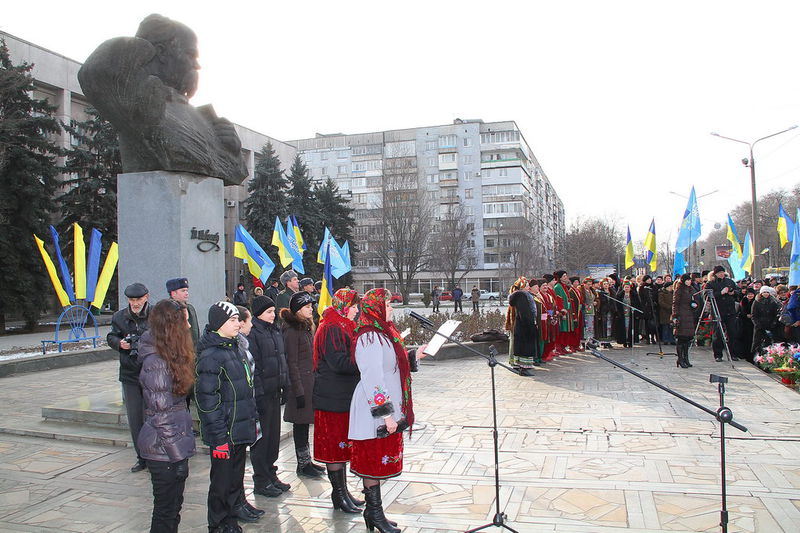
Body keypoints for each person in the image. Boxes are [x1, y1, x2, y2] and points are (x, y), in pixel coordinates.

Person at [77, 14, 247, 185]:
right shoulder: (138, 103)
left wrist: (232, 150)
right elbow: (94, 71)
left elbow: (232, 172)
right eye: (191, 55)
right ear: (162, 52)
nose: (197, 65)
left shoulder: (203, 118)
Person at [348, 288, 429, 533]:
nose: (391, 308)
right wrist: (386, 414)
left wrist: (415, 356)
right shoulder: (369, 337)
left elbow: (392, 365)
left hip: (386, 408)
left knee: (378, 461)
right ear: (376, 308)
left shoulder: (384, 333)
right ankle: (373, 513)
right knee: (372, 461)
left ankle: (375, 513)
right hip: (374, 409)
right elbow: (372, 377)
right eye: (388, 305)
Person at [195, 302, 257, 533]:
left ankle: (231, 520)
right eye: (232, 320)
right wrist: (219, 437)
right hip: (224, 433)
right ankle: (218, 524)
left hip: (239, 429)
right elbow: (207, 401)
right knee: (221, 484)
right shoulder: (211, 356)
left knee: (234, 482)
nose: (238, 324)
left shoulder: (236, 349)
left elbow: (245, 390)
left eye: (238, 320)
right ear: (219, 323)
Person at [136, 299, 196, 533]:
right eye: (185, 321)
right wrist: (177, 456)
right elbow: (162, 415)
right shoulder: (157, 363)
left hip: (171, 446)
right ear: (172, 326)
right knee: (165, 511)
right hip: (163, 450)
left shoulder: (171, 356)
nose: (189, 326)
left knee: (173, 508)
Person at [312, 289, 365, 513]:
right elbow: (339, 363)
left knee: (342, 447)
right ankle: (338, 495)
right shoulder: (332, 327)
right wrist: (365, 362)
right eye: (353, 306)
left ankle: (343, 493)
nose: (356, 311)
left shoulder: (343, 324)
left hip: (342, 396)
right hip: (332, 398)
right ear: (343, 306)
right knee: (334, 448)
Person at [247, 296, 291, 497]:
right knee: (262, 440)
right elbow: (254, 367)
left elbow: (282, 360)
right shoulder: (254, 333)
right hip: (262, 394)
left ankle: (271, 474)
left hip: (275, 391)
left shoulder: (274, 330)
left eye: (273, 311)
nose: (273, 315)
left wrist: (285, 385)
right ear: (258, 314)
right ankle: (261, 480)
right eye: (269, 312)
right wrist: (259, 394)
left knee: (273, 438)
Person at [107, 282, 151, 473]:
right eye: (131, 300)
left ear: (146, 297)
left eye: (138, 299)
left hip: (152, 373)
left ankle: (156, 454)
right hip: (130, 374)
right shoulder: (119, 317)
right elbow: (111, 337)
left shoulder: (156, 315)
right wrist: (120, 344)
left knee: (154, 416)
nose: (134, 303)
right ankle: (141, 457)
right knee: (135, 419)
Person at [280, 291, 325, 478]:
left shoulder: (305, 328)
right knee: (300, 425)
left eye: (311, 306)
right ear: (298, 309)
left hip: (309, 384)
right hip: (300, 386)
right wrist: (297, 390)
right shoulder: (292, 331)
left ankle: (307, 461)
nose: (311, 309)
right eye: (307, 307)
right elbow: (292, 362)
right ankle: (303, 464)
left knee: (304, 424)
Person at [230, 306, 265, 523]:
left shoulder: (242, 345)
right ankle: (234, 503)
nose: (251, 324)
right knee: (231, 466)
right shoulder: (230, 349)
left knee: (240, 462)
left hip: (246, 410)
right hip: (234, 415)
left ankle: (241, 500)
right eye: (247, 320)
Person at [706, 266, 742, 361]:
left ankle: (733, 354)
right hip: (718, 310)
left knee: (733, 333)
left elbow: (739, 292)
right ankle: (718, 355)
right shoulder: (711, 283)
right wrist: (720, 293)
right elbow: (707, 296)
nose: (721, 274)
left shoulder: (730, 282)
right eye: (719, 273)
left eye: (722, 272)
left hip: (730, 311)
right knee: (717, 334)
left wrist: (733, 292)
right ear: (715, 274)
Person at [506, 277, 539, 375]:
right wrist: (530, 324)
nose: (529, 287)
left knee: (523, 347)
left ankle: (522, 366)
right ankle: (523, 367)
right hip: (524, 327)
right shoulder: (521, 296)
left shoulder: (525, 295)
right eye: (527, 285)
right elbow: (524, 314)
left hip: (523, 326)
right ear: (522, 287)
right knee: (524, 348)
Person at [166, 278, 199, 347]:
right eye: (183, 291)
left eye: (187, 290)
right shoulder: (166, 310)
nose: (186, 293)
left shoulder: (190, 309)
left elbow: (195, 334)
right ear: (173, 293)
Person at [672, 274, 695, 368]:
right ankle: (680, 359)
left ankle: (686, 358)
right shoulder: (679, 290)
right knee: (681, 338)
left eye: (690, 280)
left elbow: (694, 299)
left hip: (689, 315)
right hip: (681, 314)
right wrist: (675, 316)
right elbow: (675, 303)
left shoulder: (691, 289)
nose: (689, 282)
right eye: (687, 280)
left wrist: (694, 304)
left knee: (687, 338)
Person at [751, 286, 782, 356]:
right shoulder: (756, 302)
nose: (766, 294)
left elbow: (775, 314)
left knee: (770, 343)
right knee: (757, 343)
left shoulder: (773, 302)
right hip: (759, 326)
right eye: (764, 292)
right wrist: (758, 324)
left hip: (770, 325)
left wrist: (773, 323)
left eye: (767, 292)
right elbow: (753, 315)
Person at [614, 281, 641, 348]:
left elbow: (638, 304)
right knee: (624, 327)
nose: (627, 288)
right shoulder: (619, 295)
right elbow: (617, 305)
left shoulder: (634, 295)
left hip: (631, 313)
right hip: (623, 314)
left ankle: (630, 341)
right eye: (625, 287)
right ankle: (624, 340)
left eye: (628, 287)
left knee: (631, 327)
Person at [738, 288, 756, 362]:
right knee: (744, 339)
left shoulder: (755, 301)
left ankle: (750, 356)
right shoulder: (743, 301)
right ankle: (743, 354)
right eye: (749, 294)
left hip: (753, 323)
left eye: (751, 294)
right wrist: (745, 315)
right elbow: (740, 312)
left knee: (751, 339)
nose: (750, 295)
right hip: (744, 322)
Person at [657, 281, 676, 345]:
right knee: (665, 326)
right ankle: (665, 339)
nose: (671, 288)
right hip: (664, 312)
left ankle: (672, 339)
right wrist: (668, 307)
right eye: (670, 286)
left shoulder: (673, 293)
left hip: (672, 312)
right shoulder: (662, 293)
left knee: (671, 326)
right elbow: (661, 302)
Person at [581, 277, 596, 344]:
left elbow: (596, 298)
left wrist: (596, 302)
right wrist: (585, 304)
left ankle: (590, 340)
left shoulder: (592, 290)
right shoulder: (582, 290)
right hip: (585, 310)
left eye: (590, 284)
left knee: (591, 326)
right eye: (588, 284)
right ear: (584, 284)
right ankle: (586, 341)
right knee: (586, 326)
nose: (589, 286)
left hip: (591, 310)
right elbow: (581, 300)